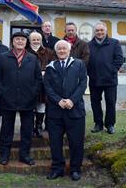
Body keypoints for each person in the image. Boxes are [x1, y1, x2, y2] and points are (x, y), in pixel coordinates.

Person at [0, 32, 42, 166]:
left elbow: (38, 79)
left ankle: (24, 155)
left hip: (28, 100)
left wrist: (33, 93)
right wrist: (2, 93)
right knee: (6, 129)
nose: (20, 41)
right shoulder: (3, 57)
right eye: (17, 39)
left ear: (26, 42)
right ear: (12, 42)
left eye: (22, 39)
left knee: (27, 129)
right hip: (7, 100)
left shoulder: (32, 58)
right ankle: (4, 155)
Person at [44, 40, 87, 181]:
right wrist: (58, 100)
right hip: (55, 112)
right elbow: (47, 86)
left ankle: (75, 169)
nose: (62, 51)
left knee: (76, 142)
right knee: (55, 142)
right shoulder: (50, 67)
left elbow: (82, 84)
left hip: (75, 111)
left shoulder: (79, 64)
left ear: (69, 50)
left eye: (64, 49)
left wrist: (71, 100)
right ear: (56, 52)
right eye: (59, 49)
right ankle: (57, 169)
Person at [87, 22, 124, 134]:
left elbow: (119, 59)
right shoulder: (89, 45)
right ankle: (98, 124)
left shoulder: (114, 43)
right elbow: (86, 61)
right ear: (94, 32)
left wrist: (111, 71)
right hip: (94, 79)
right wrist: (90, 73)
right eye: (97, 30)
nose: (99, 32)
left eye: (101, 30)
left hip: (110, 80)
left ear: (106, 31)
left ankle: (110, 124)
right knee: (95, 102)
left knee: (110, 102)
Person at [27, 32, 54, 138]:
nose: (36, 41)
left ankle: (38, 127)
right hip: (29, 84)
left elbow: (53, 65)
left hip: (43, 84)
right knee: (29, 106)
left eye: (38, 39)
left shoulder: (48, 52)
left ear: (41, 40)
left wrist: (45, 71)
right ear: (30, 41)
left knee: (41, 105)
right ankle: (28, 128)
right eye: (33, 39)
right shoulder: (25, 52)